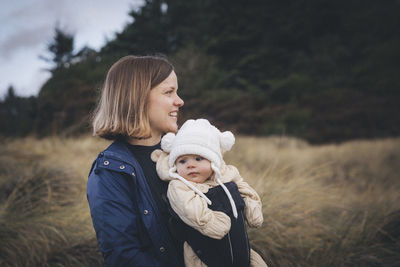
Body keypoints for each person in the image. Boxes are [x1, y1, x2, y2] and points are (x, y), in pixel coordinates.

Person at [86, 55, 185, 267]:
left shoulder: (186, 153)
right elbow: (124, 256)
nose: (180, 101)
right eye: (169, 92)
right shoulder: (110, 171)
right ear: (137, 98)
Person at [151, 118, 267, 267]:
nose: (190, 165)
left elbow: (244, 188)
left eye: (198, 158)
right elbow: (189, 209)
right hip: (204, 257)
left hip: (240, 250)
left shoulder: (227, 174)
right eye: (182, 161)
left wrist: (252, 206)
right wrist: (211, 222)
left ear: (213, 161)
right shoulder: (179, 186)